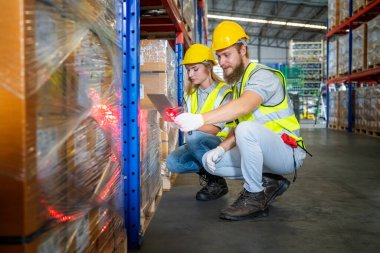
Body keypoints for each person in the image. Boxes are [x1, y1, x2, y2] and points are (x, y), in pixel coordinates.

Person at [174, 21, 308, 221]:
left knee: (246, 129)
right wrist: (220, 149)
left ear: (242, 50)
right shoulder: (239, 83)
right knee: (211, 162)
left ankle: (255, 197)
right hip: (266, 152)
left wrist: (200, 118)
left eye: (227, 55)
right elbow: (237, 127)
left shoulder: (262, 75)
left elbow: (245, 106)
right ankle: (270, 181)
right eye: (219, 56)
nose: (222, 62)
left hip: (288, 152)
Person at [166, 44, 233, 201]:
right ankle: (211, 173)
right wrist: (178, 117)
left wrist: (191, 124)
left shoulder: (224, 92)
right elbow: (190, 117)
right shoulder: (190, 94)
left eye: (195, 69)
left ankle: (216, 181)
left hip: (221, 143)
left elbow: (215, 130)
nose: (190, 74)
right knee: (172, 163)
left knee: (194, 137)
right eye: (188, 70)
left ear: (208, 68)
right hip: (198, 142)